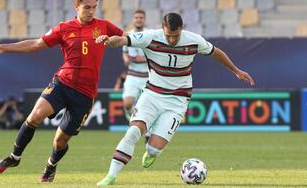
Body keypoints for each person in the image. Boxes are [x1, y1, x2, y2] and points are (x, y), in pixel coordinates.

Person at [0, 0, 123, 183]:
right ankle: (14, 157)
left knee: (60, 140)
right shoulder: (64, 28)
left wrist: (112, 39)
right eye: (86, 7)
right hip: (62, 83)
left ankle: (50, 166)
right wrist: (4, 47)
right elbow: (36, 44)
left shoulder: (104, 26)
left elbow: (125, 39)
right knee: (34, 116)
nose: (91, 11)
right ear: (77, 6)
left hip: (85, 94)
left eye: (94, 7)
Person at [95, 12, 255, 185]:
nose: (172, 40)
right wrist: (110, 41)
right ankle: (110, 176)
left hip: (178, 101)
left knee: (153, 149)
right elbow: (124, 40)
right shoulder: (151, 37)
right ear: (162, 29)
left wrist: (236, 71)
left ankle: (151, 152)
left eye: (176, 36)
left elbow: (216, 52)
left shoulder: (194, 40)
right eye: (168, 36)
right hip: (152, 95)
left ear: (182, 29)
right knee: (133, 132)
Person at [121, 9, 151, 143]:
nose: (138, 19)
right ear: (134, 19)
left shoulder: (149, 34)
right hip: (132, 75)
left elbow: (154, 53)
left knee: (148, 106)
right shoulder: (128, 35)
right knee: (127, 104)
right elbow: (125, 51)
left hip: (147, 76)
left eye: (141, 17)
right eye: (136, 17)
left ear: (144, 19)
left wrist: (143, 59)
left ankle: (147, 130)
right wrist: (126, 58)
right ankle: (134, 121)